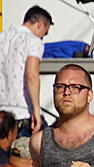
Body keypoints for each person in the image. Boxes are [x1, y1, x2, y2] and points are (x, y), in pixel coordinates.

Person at [0, 6, 51, 135]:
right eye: (45, 33)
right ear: (40, 24)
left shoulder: (1, 37)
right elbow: (31, 75)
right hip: (21, 112)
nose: (43, 38)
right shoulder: (33, 41)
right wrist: (36, 110)